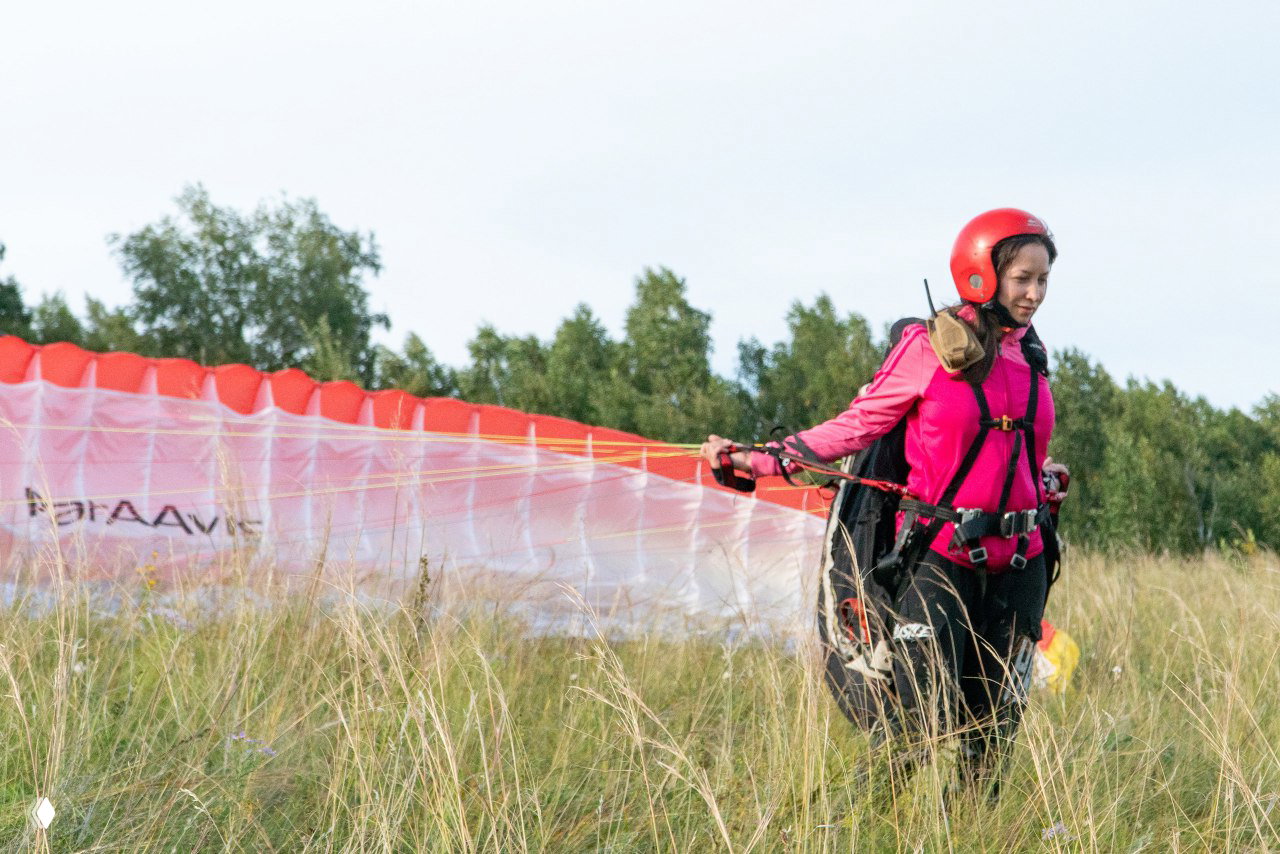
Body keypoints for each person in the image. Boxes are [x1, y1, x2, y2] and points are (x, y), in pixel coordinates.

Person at [701, 208, 1070, 798]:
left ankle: (971, 836)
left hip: (1020, 563)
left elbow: (1012, 453)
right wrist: (764, 458)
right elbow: (856, 426)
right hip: (942, 557)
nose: (1035, 294)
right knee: (915, 727)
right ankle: (851, 827)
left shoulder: (1033, 358)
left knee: (993, 733)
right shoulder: (928, 349)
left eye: (1043, 280)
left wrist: (1042, 477)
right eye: (1022, 278)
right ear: (982, 273)